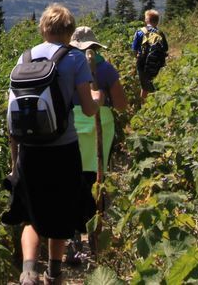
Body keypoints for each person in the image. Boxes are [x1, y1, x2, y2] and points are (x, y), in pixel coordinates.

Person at [2, 4, 100, 285]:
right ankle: (53, 274)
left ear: (43, 28)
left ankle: (28, 271)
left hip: (29, 150)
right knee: (61, 212)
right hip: (63, 149)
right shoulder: (75, 59)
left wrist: (15, 159)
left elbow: (12, 113)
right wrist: (97, 99)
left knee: (30, 215)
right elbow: (88, 109)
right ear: (69, 32)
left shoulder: (24, 59)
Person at [64, 25, 128, 266]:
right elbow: (121, 104)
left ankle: (73, 239)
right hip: (100, 125)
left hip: (71, 126)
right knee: (95, 178)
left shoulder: (65, 66)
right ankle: (95, 237)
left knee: (73, 177)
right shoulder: (105, 68)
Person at [130, 8, 168, 100]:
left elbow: (134, 50)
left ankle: (143, 107)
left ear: (147, 20)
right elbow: (165, 49)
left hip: (142, 62)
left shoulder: (140, 32)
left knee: (144, 87)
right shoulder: (160, 33)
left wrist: (137, 57)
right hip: (157, 63)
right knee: (155, 85)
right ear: (157, 21)